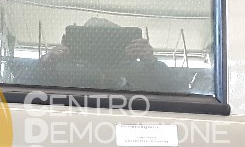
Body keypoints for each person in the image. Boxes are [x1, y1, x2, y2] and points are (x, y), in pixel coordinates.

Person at [38, 17, 182, 92]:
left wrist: (151, 62)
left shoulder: (140, 69)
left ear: (123, 42)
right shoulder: (62, 67)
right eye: (92, 40)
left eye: (109, 41)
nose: (101, 46)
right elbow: (28, 89)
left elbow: (177, 90)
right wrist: (47, 62)